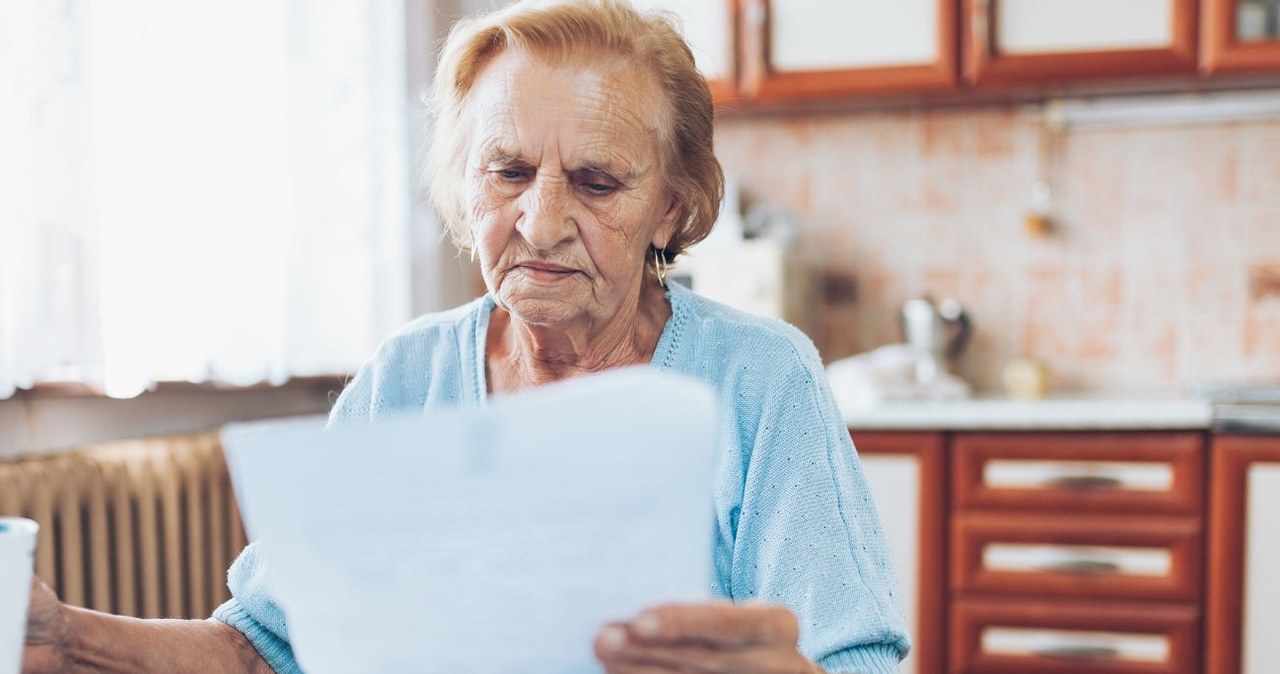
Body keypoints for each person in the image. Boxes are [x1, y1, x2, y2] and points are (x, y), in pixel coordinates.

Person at [21, 1, 909, 672]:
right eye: (508, 171)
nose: (542, 220)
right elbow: (264, 647)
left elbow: (853, 658)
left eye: (597, 182)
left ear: (670, 208)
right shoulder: (404, 377)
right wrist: (62, 638)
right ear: (464, 187)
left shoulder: (760, 377)